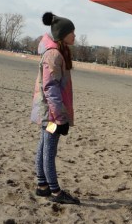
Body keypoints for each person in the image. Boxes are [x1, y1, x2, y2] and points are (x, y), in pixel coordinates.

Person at [30, 12, 80, 205]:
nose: (74, 35)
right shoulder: (53, 55)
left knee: (43, 147)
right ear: (62, 35)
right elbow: (50, 88)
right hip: (52, 115)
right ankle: (55, 191)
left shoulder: (56, 53)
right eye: (72, 32)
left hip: (50, 113)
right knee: (49, 150)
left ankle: (42, 186)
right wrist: (60, 118)